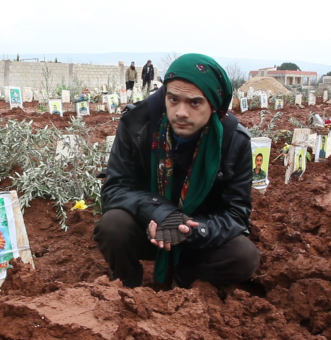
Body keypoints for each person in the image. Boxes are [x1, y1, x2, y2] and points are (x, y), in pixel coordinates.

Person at [95, 54, 259, 289]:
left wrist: (191, 230)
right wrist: (162, 213)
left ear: (213, 105)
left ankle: (187, 284)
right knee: (113, 225)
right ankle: (126, 288)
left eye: (194, 102)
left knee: (243, 256)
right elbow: (115, 189)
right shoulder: (137, 124)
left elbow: (236, 213)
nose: (181, 112)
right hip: (148, 227)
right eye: (173, 99)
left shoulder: (234, 140)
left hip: (198, 236)